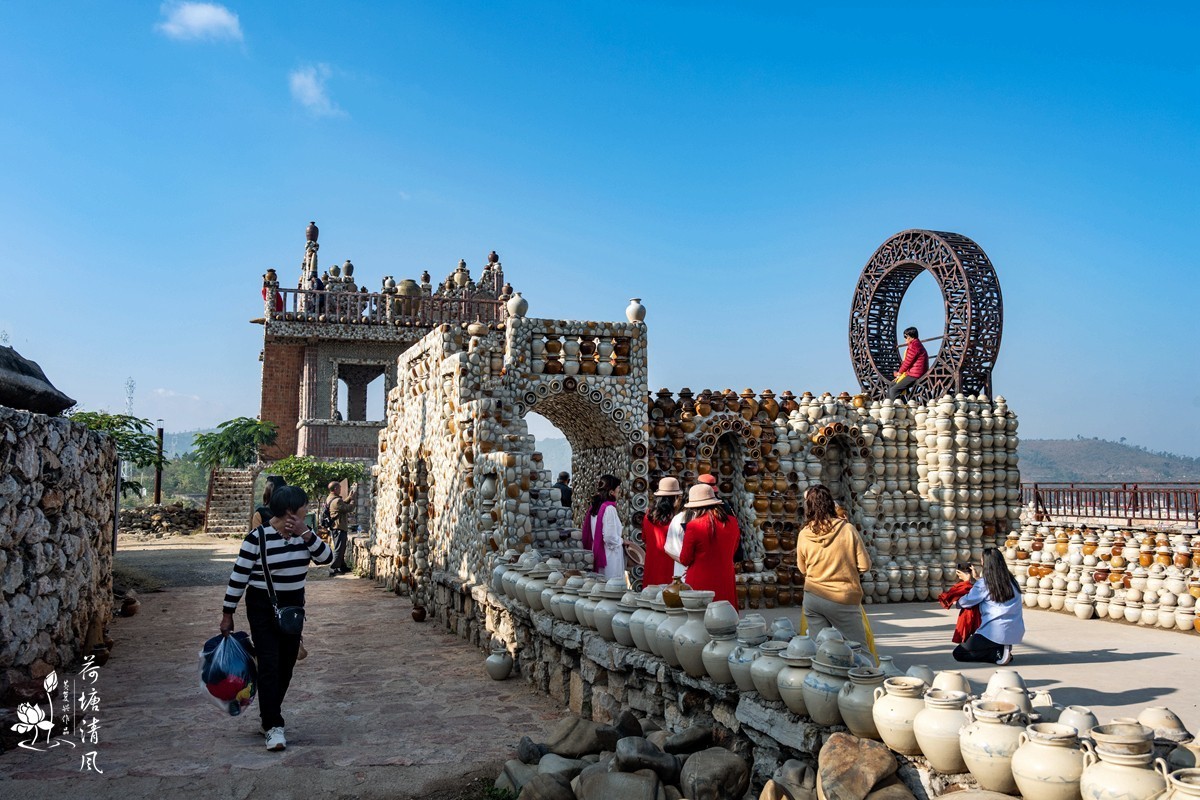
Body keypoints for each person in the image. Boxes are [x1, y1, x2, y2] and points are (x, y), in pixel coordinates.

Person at [219, 485, 333, 751]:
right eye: (304, 506)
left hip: (292, 608)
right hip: (262, 606)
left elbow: (327, 558)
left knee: (286, 664)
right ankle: (273, 725)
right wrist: (228, 614)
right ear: (291, 510)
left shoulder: (305, 536)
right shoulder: (256, 538)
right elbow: (238, 578)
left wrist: (306, 534)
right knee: (269, 663)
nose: (307, 510)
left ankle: (269, 713)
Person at [795, 484, 871, 644]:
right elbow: (865, 566)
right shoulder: (847, 529)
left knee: (820, 650)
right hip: (843, 597)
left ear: (808, 507)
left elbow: (802, 568)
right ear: (831, 504)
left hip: (813, 597)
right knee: (858, 649)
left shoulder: (804, 534)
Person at [953, 547, 1024, 665]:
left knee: (959, 653)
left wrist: (965, 585)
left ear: (985, 563)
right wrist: (976, 579)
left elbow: (968, 601)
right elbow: (991, 590)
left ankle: (996, 654)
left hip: (994, 632)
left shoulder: (984, 583)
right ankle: (1001, 648)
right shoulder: (1011, 581)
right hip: (1014, 630)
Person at [677, 484, 740, 608]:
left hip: (701, 581)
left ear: (695, 508)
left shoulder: (694, 526)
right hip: (725, 578)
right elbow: (734, 549)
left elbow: (685, 559)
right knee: (726, 618)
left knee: (699, 620)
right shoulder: (732, 522)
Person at [582, 474, 625, 580]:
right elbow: (609, 537)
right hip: (609, 558)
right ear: (611, 492)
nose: (619, 492)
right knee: (612, 586)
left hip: (599, 553)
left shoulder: (595, 507)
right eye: (618, 489)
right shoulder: (609, 509)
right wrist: (622, 541)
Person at [642, 477, 683, 586]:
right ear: (675, 498)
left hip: (652, 564)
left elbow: (644, 538)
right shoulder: (676, 518)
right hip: (670, 566)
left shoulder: (648, 515)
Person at [938, 564, 982, 645]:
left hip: (971, 613)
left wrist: (966, 581)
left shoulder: (967, 586)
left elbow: (966, 600)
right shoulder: (976, 583)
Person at [323, 481, 355, 575]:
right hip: (339, 527)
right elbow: (348, 508)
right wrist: (353, 500)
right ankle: (333, 568)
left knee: (341, 548)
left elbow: (342, 504)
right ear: (336, 489)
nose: (341, 490)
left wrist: (349, 497)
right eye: (340, 488)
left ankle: (342, 566)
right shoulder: (336, 500)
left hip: (336, 527)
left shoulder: (330, 498)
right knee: (339, 548)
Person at [889, 326, 928, 400]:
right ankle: (901, 405)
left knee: (893, 390)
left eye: (905, 336)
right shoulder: (916, 344)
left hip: (915, 374)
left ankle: (898, 410)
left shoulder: (914, 346)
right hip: (914, 373)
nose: (905, 339)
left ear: (910, 337)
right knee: (892, 385)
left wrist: (899, 373)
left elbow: (907, 362)